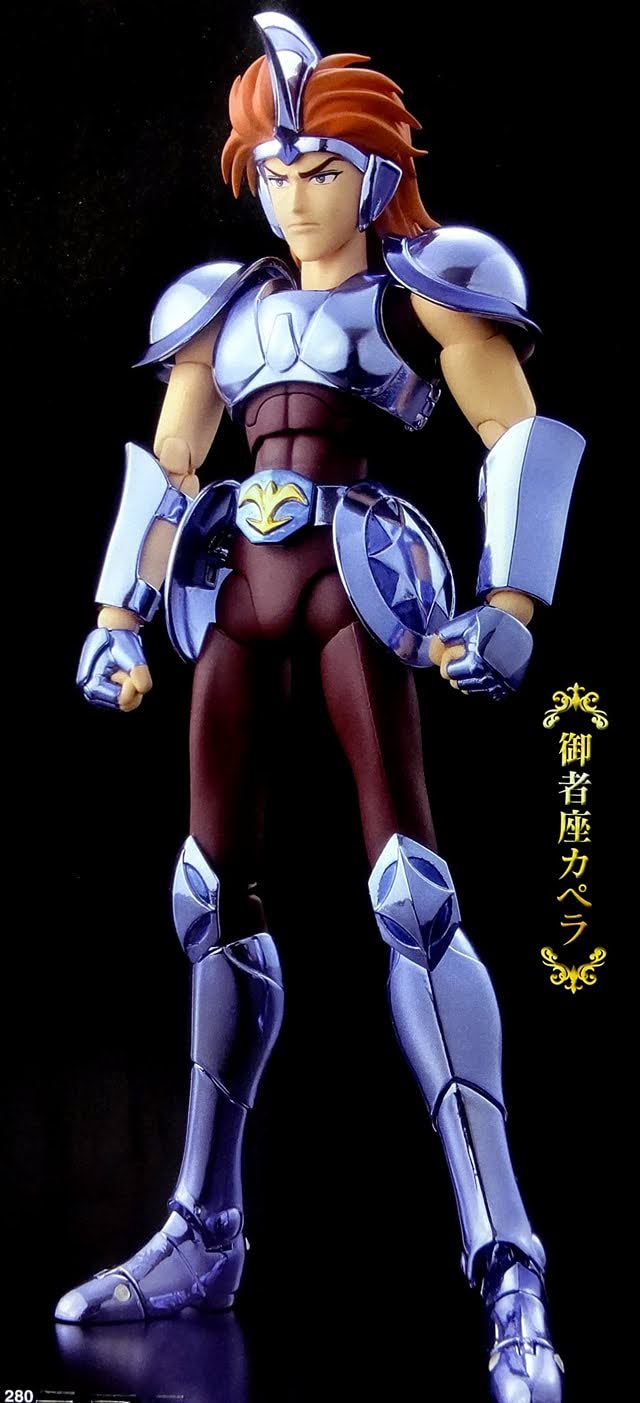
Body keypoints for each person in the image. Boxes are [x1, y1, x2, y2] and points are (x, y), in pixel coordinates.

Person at [57, 13, 584, 1402]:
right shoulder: (219, 308)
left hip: (362, 584)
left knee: (411, 895)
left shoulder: (426, 286)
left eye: (321, 170)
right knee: (207, 894)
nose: (295, 196)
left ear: (374, 173)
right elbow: (173, 465)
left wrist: (511, 605)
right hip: (235, 586)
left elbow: (515, 429)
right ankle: (204, 1227)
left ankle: (508, 1263)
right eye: (277, 171)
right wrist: (118, 617)